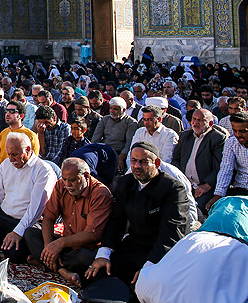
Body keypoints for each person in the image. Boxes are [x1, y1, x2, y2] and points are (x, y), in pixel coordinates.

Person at [84, 142, 190, 287]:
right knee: (98, 276)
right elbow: (116, 221)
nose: (137, 166)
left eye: (143, 162)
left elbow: (172, 232)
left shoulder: (173, 189)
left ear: (157, 163)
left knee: (143, 286)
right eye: (134, 161)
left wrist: (150, 267)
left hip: (160, 251)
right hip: (134, 245)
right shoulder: (125, 183)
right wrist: (104, 254)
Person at [0, 132, 57, 263]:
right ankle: (6, 241)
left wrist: (18, 232)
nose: (11, 159)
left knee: (13, 254)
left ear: (28, 150)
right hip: (4, 217)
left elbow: (36, 208)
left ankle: (12, 243)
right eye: (9, 154)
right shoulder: (6, 164)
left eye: (15, 154)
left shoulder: (43, 170)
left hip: (27, 221)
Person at [24, 157, 113, 286]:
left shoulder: (100, 194)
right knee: (30, 233)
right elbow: (49, 217)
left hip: (86, 248)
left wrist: (60, 243)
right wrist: (49, 247)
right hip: (66, 245)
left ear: (86, 176)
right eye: (65, 179)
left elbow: (93, 234)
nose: (67, 184)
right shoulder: (61, 185)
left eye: (72, 180)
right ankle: (62, 271)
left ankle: (46, 262)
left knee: (85, 257)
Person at [170, 108, 227, 214]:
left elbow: (219, 167)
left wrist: (207, 185)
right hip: (184, 183)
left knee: (199, 209)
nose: (196, 123)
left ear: (210, 123)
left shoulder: (217, 138)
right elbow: (175, 160)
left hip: (204, 186)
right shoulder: (185, 135)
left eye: (200, 120)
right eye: (194, 119)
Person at [209, 111, 248, 207]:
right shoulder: (231, 143)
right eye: (235, 131)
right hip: (239, 186)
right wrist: (219, 194)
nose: (238, 135)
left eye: (243, 131)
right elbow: (226, 169)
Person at [91, 96, 138, 173]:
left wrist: (121, 158)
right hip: (104, 151)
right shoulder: (105, 120)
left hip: (120, 152)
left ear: (123, 110)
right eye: (111, 108)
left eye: (115, 109)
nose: (112, 111)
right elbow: (96, 139)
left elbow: (129, 143)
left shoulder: (130, 123)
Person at [0, 100, 40, 171]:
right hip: (2, 174)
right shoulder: (3, 133)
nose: (8, 114)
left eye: (12, 111)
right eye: (7, 111)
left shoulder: (31, 136)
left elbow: (33, 161)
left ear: (21, 116)